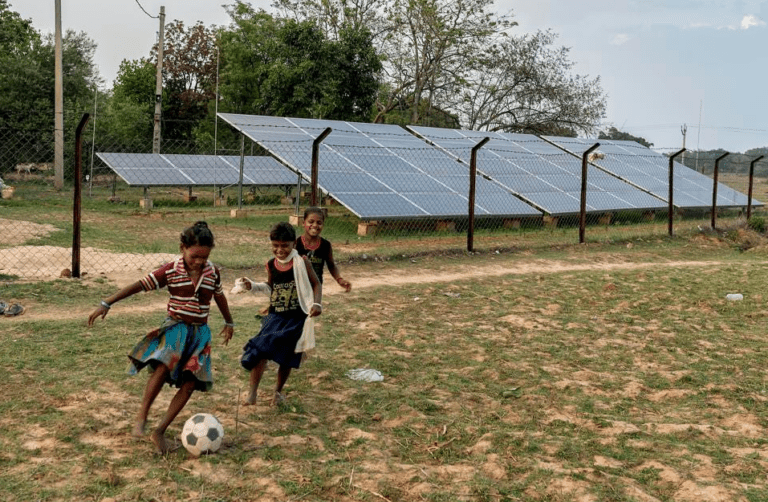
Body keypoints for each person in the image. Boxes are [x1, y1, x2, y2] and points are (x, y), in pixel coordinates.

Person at [87, 221, 235, 454]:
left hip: (200, 333)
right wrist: (107, 302)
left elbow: (219, 296)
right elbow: (138, 286)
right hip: (176, 328)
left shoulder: (212, 272)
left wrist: (229, 321)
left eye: (203, 257)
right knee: (164, 366)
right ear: (182, 248)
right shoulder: (169, 270)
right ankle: (142, 416)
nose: (198, 261)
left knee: (189, 384)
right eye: (194, 256)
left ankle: (160, 430)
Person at [241, 221, 322, 406]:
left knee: (287, 357)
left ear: (293, 243)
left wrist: (317, 303)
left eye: (284, 246)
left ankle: (277, 392)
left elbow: (316, 283)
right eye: (275, 246)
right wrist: (252, 286)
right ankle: (252, 393)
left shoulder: (302, 262)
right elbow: (270, 287)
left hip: (296, 318)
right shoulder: (271, 264)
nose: (279, 250)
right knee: (260, 350)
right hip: (275, 316)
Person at [295, 206, 352, 292]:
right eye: (311, 222)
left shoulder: (325, 245)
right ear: (303, 223)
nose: (315, 225)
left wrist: (339, 279)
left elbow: (331, 265)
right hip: (297, 288)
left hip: (315, 289)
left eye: (319, 223)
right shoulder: (296, 244)